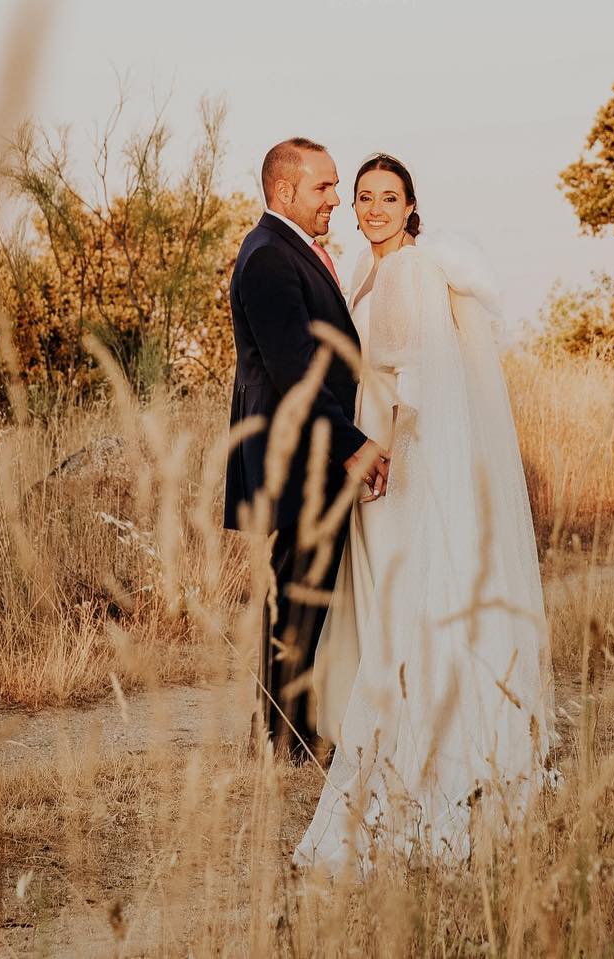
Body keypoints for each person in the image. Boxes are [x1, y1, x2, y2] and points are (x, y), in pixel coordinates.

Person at [294, 153, 555, 873]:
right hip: (379, 460)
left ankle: (430, 759)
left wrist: (376, 457)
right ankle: (423, 746)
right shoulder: (365, 270)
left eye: (390, 198)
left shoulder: (408, 270)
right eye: (365, 197)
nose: (375, 208)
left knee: (406, 611)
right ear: (353, 206)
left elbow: (415, 390)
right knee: (396, 611)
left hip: (396, 467)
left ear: (412, 208)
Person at [224, 137, 390, 765]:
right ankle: (281, 740)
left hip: (308, 449)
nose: (335, 201)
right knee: (297, 595)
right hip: (298, 454)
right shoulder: (268, 257)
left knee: (300, 592)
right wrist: (352, 446)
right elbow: (298, 370)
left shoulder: (289, 250)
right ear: (285, 190)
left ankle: (284, 732)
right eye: (324, 187)